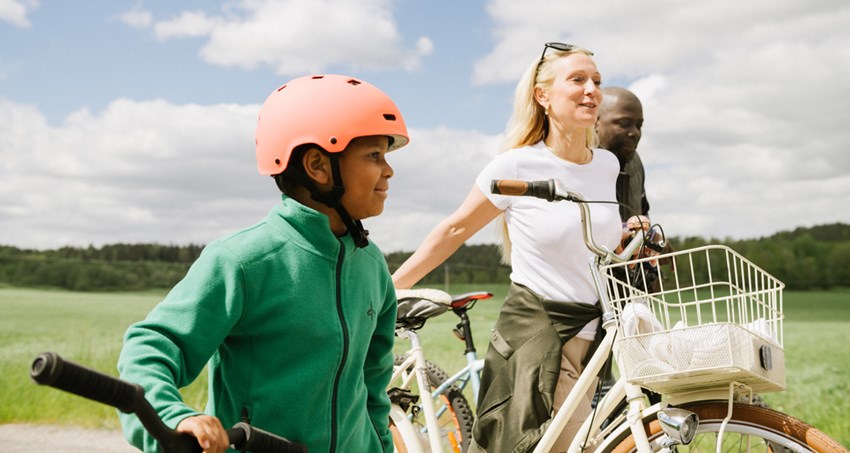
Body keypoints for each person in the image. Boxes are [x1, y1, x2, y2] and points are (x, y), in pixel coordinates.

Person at [117, 74, 410, 453]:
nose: (388, 170)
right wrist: (174, 417)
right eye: (374, 156)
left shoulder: (373, 268)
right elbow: (152, 345)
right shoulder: (243, 260)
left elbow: (372, 391)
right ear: (318, 165)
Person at [392, 43, 621, 452]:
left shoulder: (607, 166)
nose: (592, 90)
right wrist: (390, 288)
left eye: (597, 81)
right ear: (543, 96)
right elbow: (455, 228)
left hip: (594, 337)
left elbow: (591, 242)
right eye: (578, 80)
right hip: (539, 333)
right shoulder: (515, 166)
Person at [596, 86, 649, 222]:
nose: (635, 133)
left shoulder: (634, 163)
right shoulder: (575, 161)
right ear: (595, 122)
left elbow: (643, 212)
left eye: (639, 125)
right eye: (624, 123)